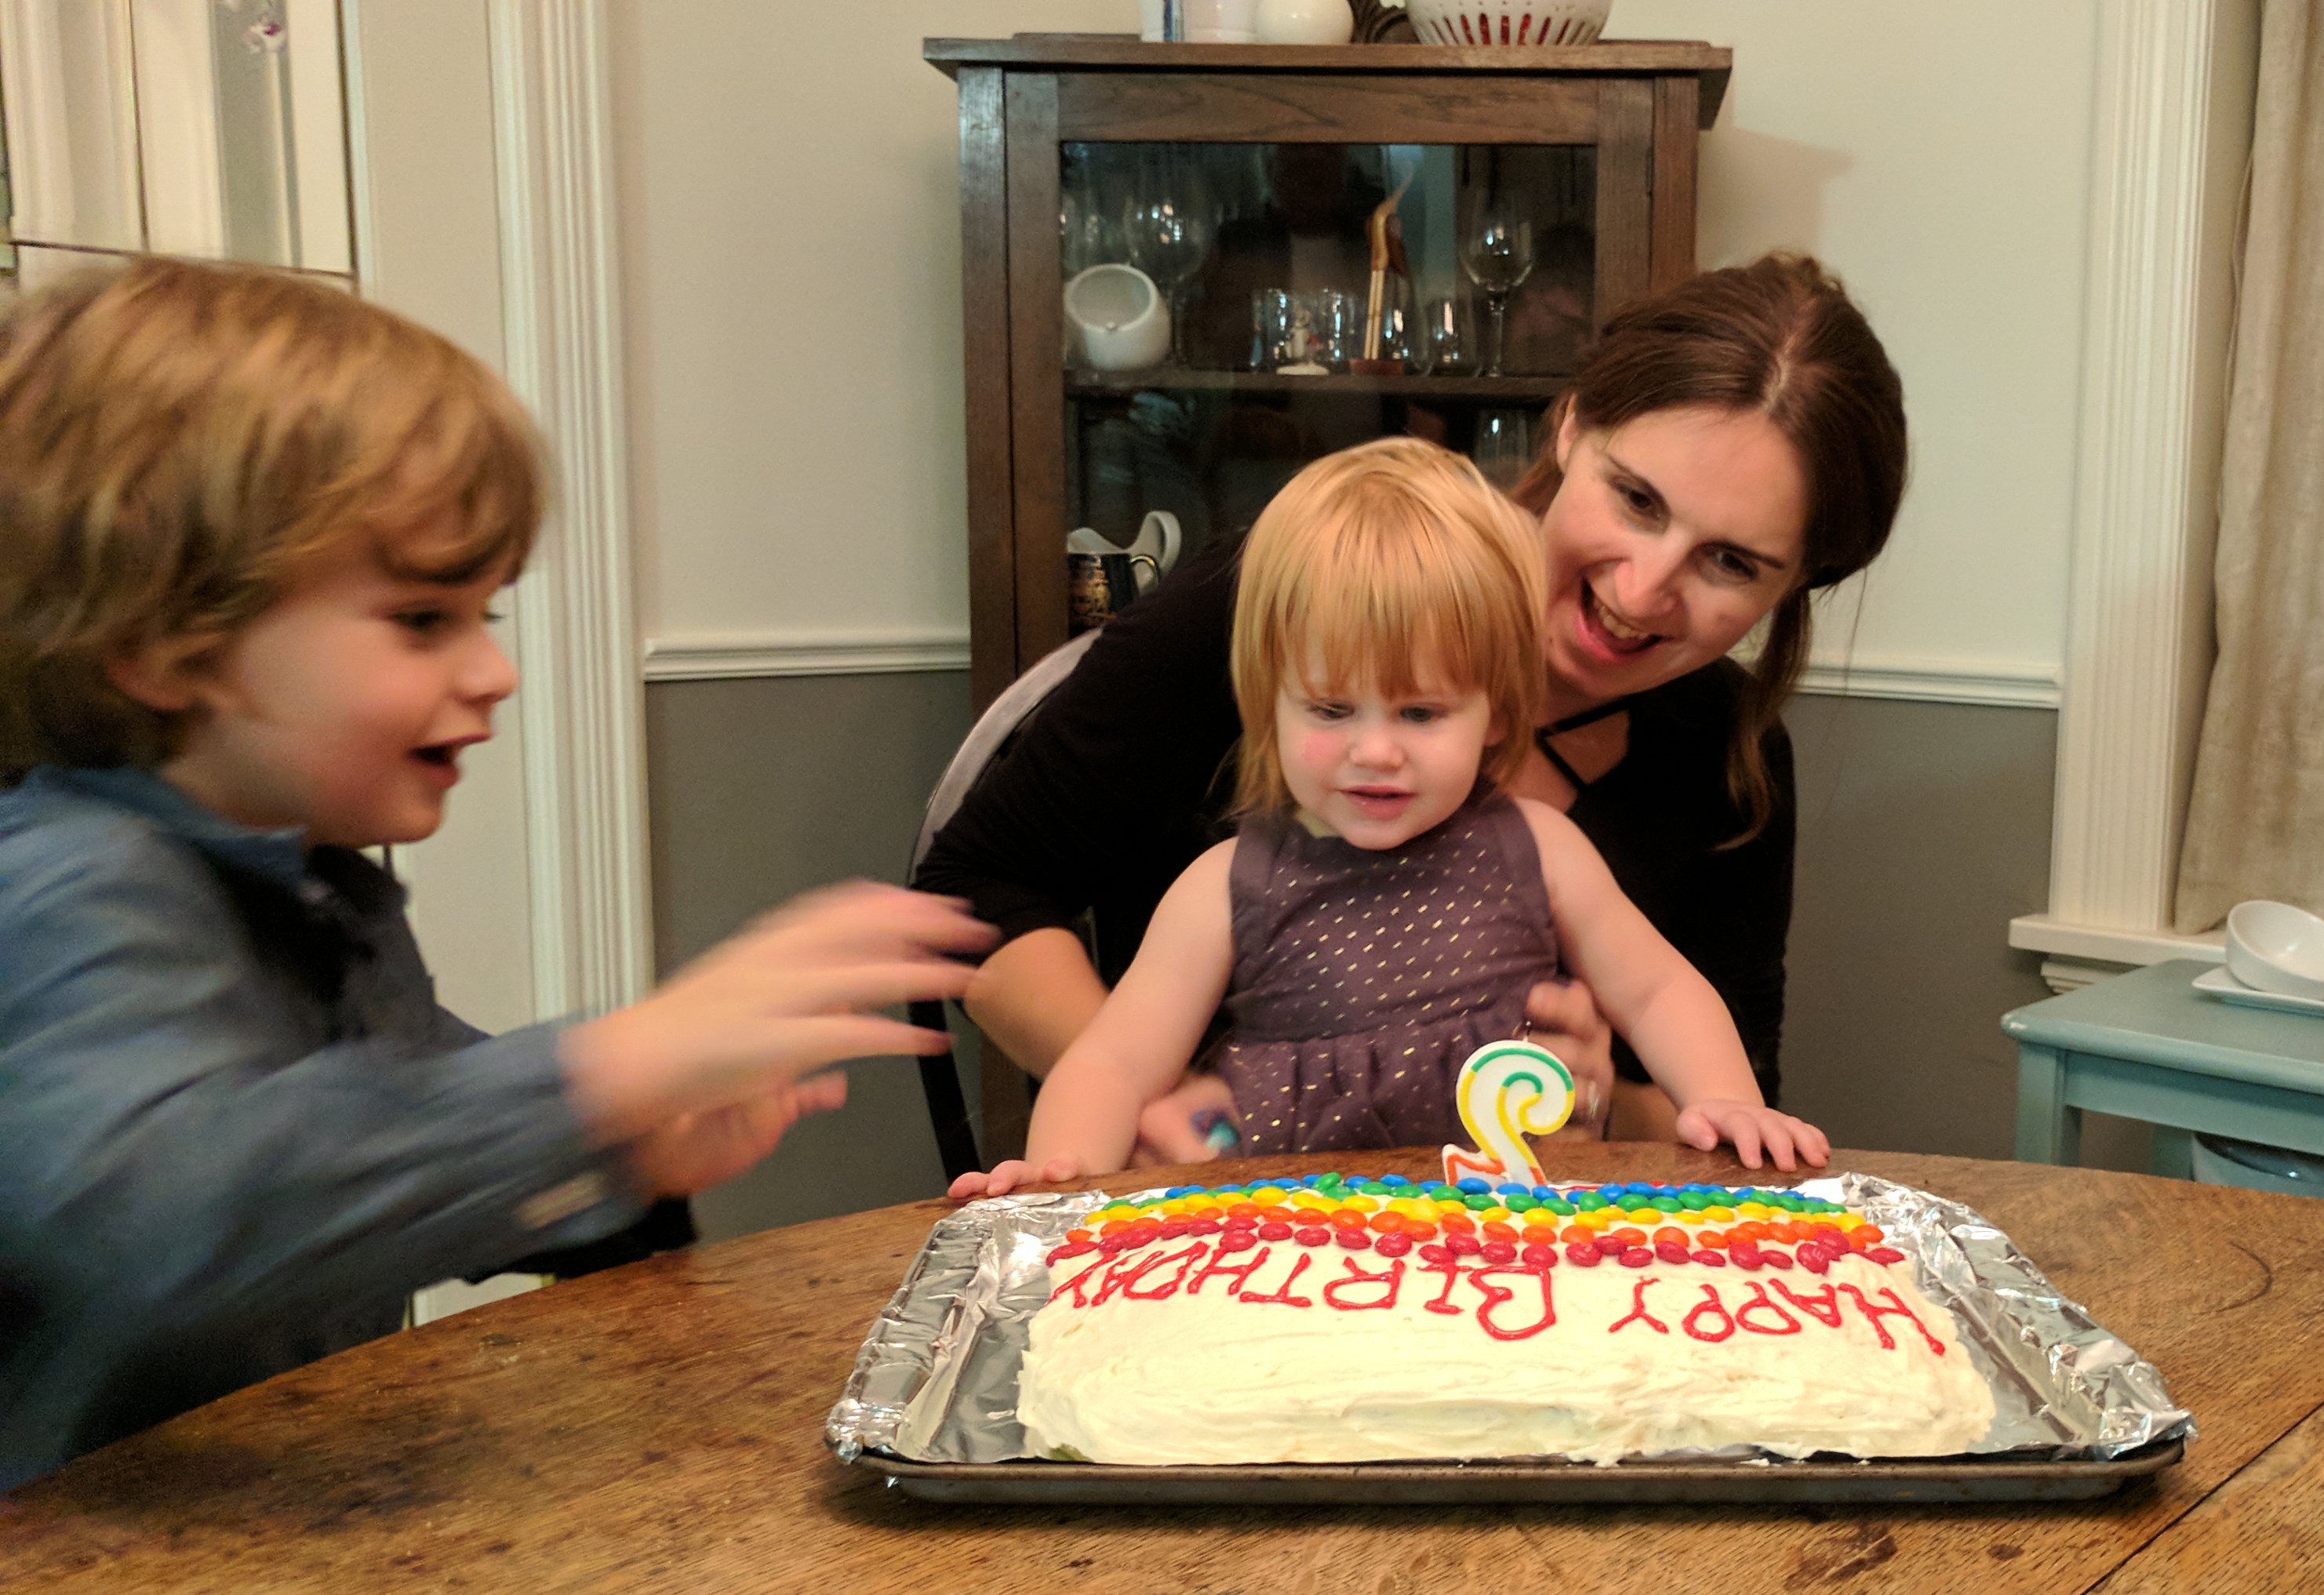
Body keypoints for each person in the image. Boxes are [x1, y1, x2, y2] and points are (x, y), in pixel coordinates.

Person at [0, 259, 994, 1488]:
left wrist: (628, 1163)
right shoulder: (66, 884)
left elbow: (394, 1140)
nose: (495, 674)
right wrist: (600, 1077)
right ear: (161, 648)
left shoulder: (309, 885)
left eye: (489, 617)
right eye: (423, 620)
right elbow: (174, 1218)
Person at [916, 254, 1907, 1167]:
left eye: (1730, 561)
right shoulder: (1290, 599)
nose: (1643, 591)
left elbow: (1720, 1087)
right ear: (1571, 425)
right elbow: (986, 900)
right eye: (1638, 499)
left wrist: (1603, 1107)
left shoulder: (1714, 761)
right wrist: (1166, 1115)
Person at [948, 441, 1824, 1196]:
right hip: (1290, 1253)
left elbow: (1658, 989)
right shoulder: (1224, 888)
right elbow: (1111, 1062)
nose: (1375, 751)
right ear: (1269, 704)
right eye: (1332, 710)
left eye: (1421, 713)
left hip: (1510, 1243)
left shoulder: (1541, 849)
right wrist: (1059, 1181)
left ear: (1497, 712)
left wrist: (1727, 1100)